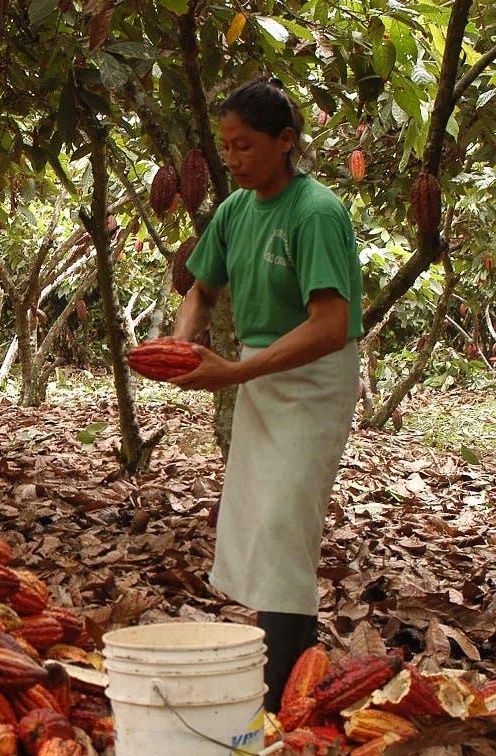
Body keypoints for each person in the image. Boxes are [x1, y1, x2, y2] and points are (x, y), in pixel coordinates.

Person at [169, 77, 363, 712]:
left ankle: (281, 690)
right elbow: (201, 289)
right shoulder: (234, 210)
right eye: (226, 148)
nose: (233, 160)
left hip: (310, 379)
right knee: (258, 522)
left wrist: (232, 374)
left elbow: (330, 326)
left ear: (286, 142)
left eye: (245, 146)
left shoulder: (317, 212)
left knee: (284, 523)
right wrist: (178, 349)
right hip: (259, 370)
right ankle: (287, 669)